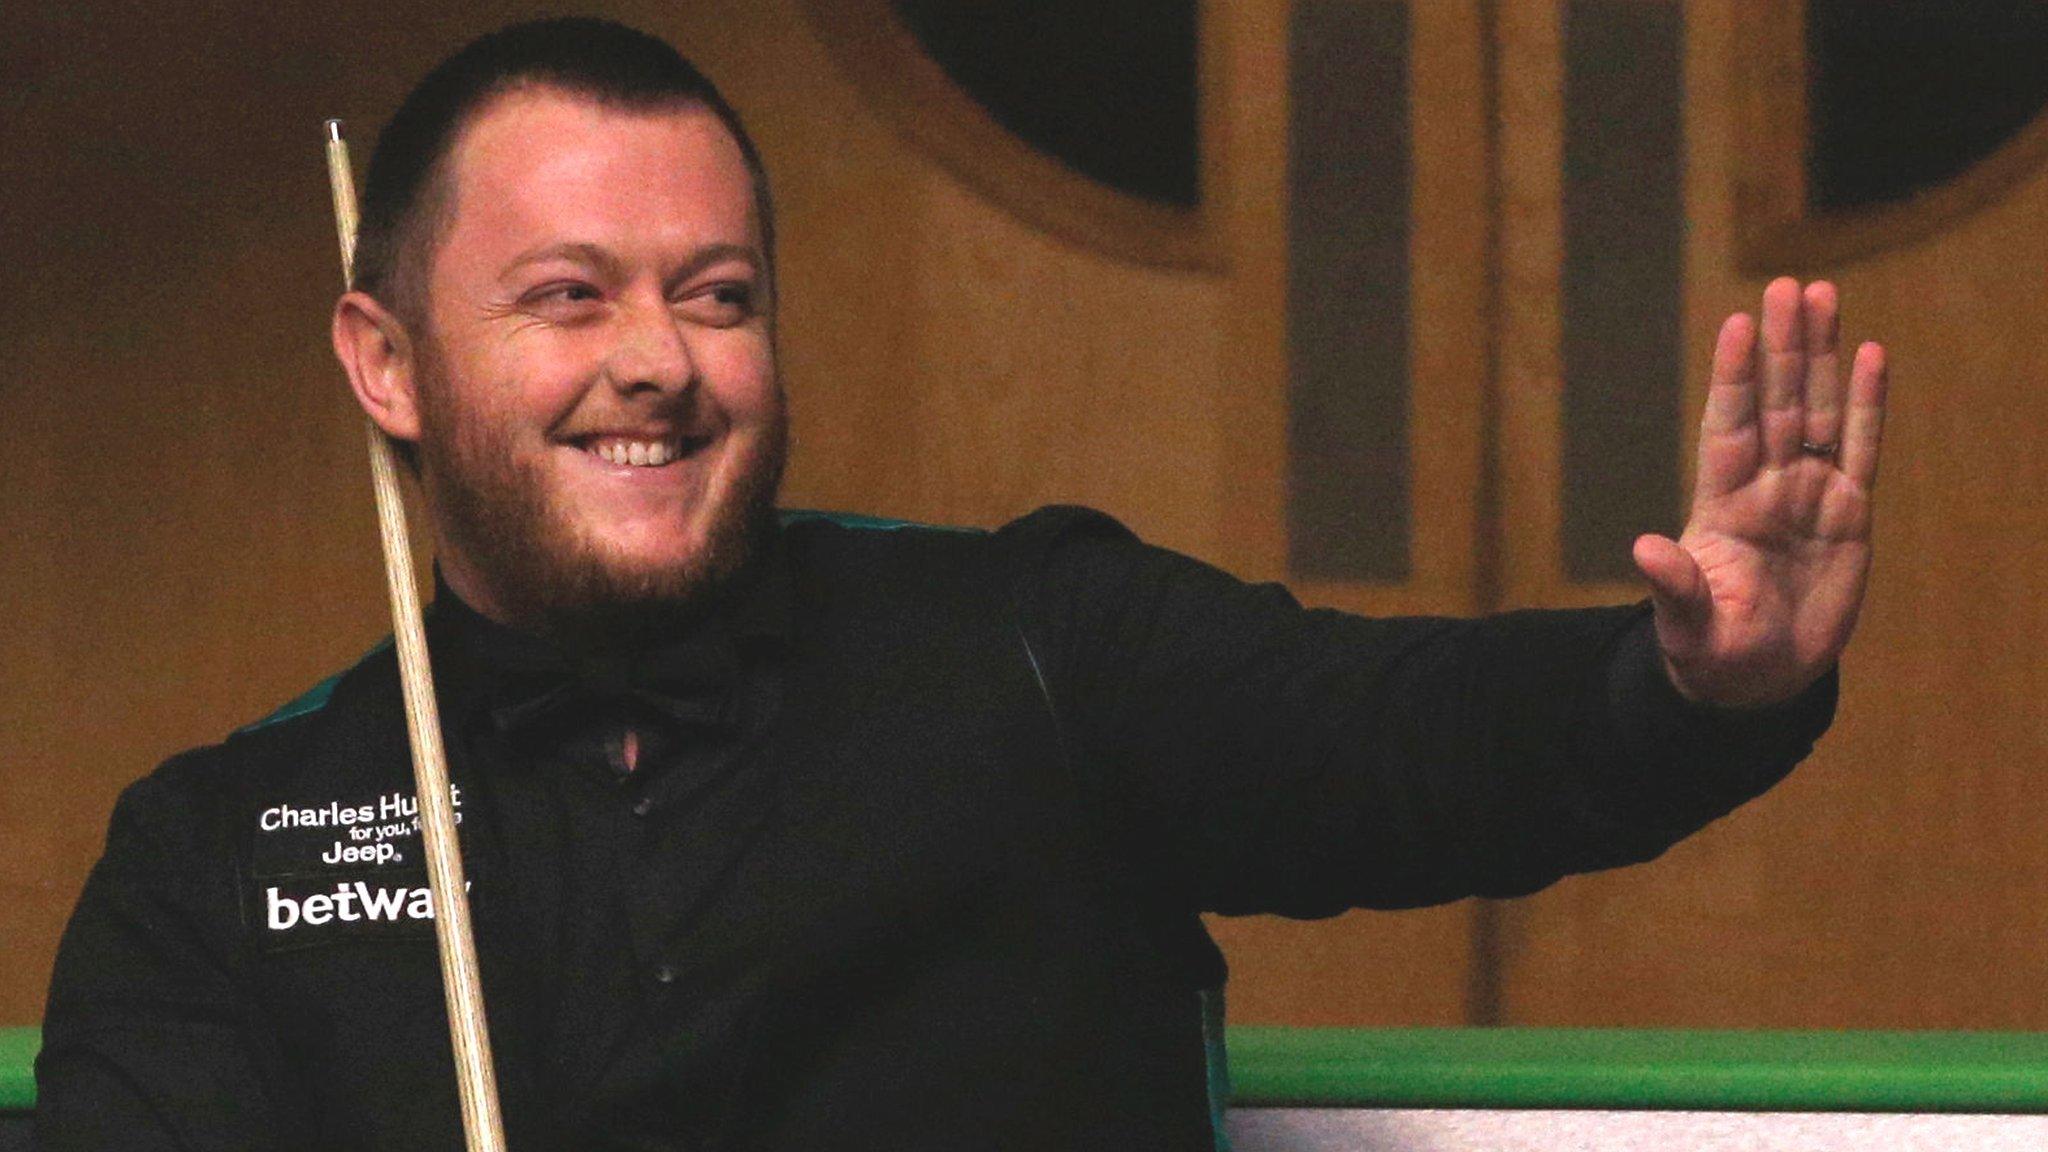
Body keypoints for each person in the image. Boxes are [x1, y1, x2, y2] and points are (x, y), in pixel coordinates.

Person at [34, 17, 1887, 1152]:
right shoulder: (228, 850)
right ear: (387, 362)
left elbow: (1411, 742)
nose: (660, 359)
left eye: (717, 291)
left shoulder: (1037, 650)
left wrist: (1693, 684)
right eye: (568, 293)